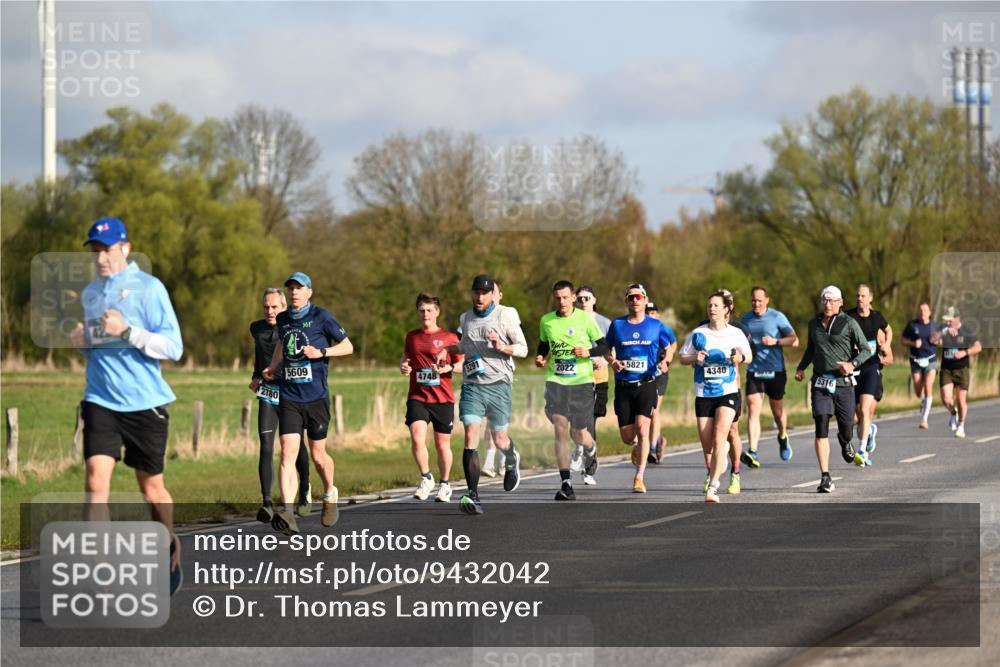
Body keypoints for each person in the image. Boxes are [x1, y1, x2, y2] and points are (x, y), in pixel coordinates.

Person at [71, 217, 184, 593]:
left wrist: (128, 331)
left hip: (144, 404)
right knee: (95, 483)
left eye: (106, 249)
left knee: (152, 491)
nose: (100, 257)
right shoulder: (91, 293)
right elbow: (98, 346)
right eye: (95, 250)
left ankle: (167, 544)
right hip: (100, 398)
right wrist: (83, 341)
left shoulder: (150, 289)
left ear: (125, 248)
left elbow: (173, 348)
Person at [263, 272, 353, 534]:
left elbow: (348, 347)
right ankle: (289, 513)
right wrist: (273, 365)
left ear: (309, 292)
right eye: (290, 288)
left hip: (316, 398)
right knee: (288, 451)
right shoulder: (282, 319)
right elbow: (282, 343)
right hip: (290, 396)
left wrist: (321, 352)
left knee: (318, 455)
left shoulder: (322, 317)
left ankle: (328, 492)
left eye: (299, 288)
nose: (294, 292)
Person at [439, 275, 528, 515]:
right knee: (470, 435)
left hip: (499, 384)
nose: (480, 297)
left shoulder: (505, 315)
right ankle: (473, 495)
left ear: (493, 295)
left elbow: (523, 348)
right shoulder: (465, 318)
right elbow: (464, 346)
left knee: (500, 440)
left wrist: (502, 347)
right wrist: (447, 350)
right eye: (476, 292)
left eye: (485, 293)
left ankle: (511, 457)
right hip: (472, 385)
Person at [535, 280, 608, 500]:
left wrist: (588, 352)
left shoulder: (586, 319)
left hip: (582, 383)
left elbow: (604, 346)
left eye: (566, 297)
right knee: (560, 428)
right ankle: (566, 482)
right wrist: (540, 357)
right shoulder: (546, 320)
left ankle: (591, 448)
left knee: (578, 434)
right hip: (556, 382)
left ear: (573, 297)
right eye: (558, 298)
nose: (562, 302)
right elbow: (544, 344)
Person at [794, 285, 871, 493]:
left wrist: (852, 365)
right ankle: (825, 476)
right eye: (824, 300)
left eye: (832, 300)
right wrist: (801, 367)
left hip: (843, 384)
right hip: (820, 382)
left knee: (846, 427)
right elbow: (811, 349)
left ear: (840, 303)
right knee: (821, 422)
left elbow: (866, 350)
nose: (828, 304)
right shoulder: (814, 324)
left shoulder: (850, 323)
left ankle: (845, 441)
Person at [679, 290, 752, 503]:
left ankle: (713, 487)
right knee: (707, 444)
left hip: (728, 391)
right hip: (704, 392)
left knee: (721, 435)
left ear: (726, 309)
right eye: (710, 305)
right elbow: (683, 358)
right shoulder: (698, 333)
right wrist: (695, 356)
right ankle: (722, 456)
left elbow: (748, 355)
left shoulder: (735, 333)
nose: (712, 309)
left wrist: (740, 356)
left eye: (716, 306)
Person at [604, 284, 677, 494]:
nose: (635, 300)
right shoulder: (617, 325)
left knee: (644, 429)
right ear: (626, 302)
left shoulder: (656, 325)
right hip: (623, 386)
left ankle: (639, 476)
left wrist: (667, 360)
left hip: (647, 383)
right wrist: (613, 361)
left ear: (645, 300)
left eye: (639, 297)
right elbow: (607, 349)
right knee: (628, 437)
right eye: (631, 297)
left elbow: (671, 344)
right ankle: (637, 447)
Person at [249, 288, 311, 522]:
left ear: (284, 307)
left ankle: (304, 491)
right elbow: (259, 355)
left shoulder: (292, 328)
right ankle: (266, 503)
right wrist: (256, 376)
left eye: (275, 307)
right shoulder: (256, 328)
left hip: (291, 393)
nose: (270, 311)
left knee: (296, 447)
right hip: (267, 392)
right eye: (266, 306)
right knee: (266, 443)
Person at [400, 293, 462, 502]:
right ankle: (426, 477)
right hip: (418, 396)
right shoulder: (412, 336)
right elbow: (406, 356)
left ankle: (445, 484)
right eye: (421, 310)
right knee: (417, 437)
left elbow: (462, 364)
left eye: (429, 310)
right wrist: (404, 365)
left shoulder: (450, 338)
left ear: (437, 312)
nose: (425, 314)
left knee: (442, 445)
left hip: (442, 398)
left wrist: (449, 366)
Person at [739, 286, 798, 466]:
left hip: (775, 370)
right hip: (754, 370)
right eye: (753, 300)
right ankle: (753, 451)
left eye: (759, 300)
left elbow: (795, 340)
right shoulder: (746, 319)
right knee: (753, 408)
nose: (756, 303)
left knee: (777, 411)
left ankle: (782, 435)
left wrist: (776, 341)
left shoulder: (777, 317)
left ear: (767, 300)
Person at [845, 284, 893, 462]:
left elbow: (889, 330)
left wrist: (887, 344)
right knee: (855, 415)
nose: (860, 299)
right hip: (853, 368)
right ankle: (870, 431)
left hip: (871, 367)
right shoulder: (849, 316)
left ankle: (863, 450)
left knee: (865, 409)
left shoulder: (876, 317)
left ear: (870, 298)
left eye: (863, 296)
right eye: (858, 296)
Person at [573, 285, 610, 485]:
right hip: (575, 379)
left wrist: (605, 360)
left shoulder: (605, 323)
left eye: (587, 298)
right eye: (580, 299)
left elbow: (614, 349)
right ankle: (581, 450)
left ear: (594, 300)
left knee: (590, 421)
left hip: (598, 378)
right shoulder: (570, 321)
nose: (584, 302)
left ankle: (589, 467)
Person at [931, 307, 982, 439]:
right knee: (947, 399)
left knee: (960, 399)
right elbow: (933, 340)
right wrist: (944, 331)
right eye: (946, 320)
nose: (947, 322)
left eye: (950, 320)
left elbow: (978, 347)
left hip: (962, 369)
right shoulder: (944, 329)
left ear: (957, 319)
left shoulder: (966, 331)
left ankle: (961, 426)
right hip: (947, 369)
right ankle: (953, 413)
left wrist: (965, 352)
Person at [644, 301, 677, 464]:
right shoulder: (640, 327)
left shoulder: (663, 328)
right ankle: (659, 440)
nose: (650, 315)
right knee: (645, 411)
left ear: (657, 314)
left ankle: (651, 446)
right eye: (647, 312)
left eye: (652, 312)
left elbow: (673, 344)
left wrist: (666, 361)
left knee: (654, 410)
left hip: (659, 372)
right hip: (643, 372)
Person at [901, 303, 939, 429]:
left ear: (930, 312)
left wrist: (937, 340)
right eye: (921, 310)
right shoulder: (912, 325)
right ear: (918, 312)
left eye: (925, 310)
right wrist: (912, 343)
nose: (923, 312)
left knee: (928, 386)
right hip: (916, 360)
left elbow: (943, 340)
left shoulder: (934, 326)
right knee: (918, 391)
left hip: (931, 359)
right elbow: (902, 340)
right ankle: (923, 400)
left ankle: (924, 419)